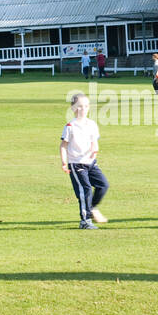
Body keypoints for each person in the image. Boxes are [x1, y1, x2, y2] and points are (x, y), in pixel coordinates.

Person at [60, 92, 108, 229]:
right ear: (73, 108)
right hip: (76, 164)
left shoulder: (91, 124)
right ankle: (85, 221)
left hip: (91, 163)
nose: (83, 109)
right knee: (85, 190)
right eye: (79, 106)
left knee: (103, 185)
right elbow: (63, 146)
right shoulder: (70, 126)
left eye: (86, 106)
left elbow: (94, 141)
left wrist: (95, 148)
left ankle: (91, 208)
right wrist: (64, 162)